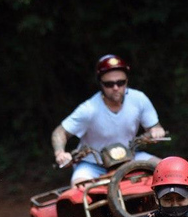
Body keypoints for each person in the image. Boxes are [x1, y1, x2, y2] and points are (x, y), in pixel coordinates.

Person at [51, 54, 166, 186]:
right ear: (101, 84)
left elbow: (154, 127)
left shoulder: (139, 99)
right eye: (109, 84)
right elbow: (60, 132)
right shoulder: (89, 109)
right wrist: (60, 152)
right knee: (80, 190)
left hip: (131, 157)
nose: (116, 88)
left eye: (120, 83)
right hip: (94, 164)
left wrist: (156, 130)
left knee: (166, 170)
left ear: (127, 81)